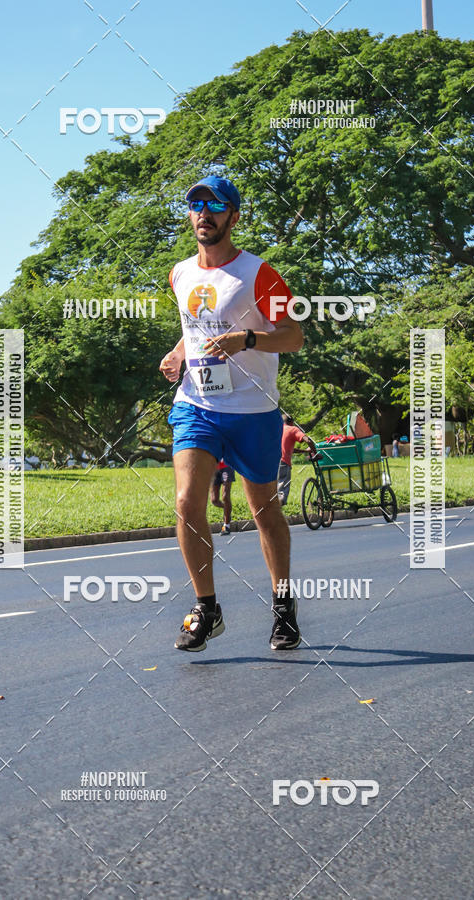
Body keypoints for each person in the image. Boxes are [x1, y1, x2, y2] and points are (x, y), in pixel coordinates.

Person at [159, 175, 304, 652]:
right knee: (185, 503)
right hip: (197, 404)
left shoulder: (259, 275)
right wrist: (180, 353)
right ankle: (207, 607)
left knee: (264, 510)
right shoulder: (180, 273)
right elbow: (195, 325)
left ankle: (283, 606)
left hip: (252, 410)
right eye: (197, 204)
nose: (205, 212)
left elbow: (293, 336)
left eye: (216, 205)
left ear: (234, 216)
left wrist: (248, 340)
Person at [277, 415, 317, 506]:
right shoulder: (293, 429)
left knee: (273, 490)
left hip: (271, 462)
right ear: (292, 422)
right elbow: (308, 441)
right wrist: (316, 453)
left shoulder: (277, 429)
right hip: (283, 463)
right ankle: (276, 513)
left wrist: (304, 451)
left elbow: (288, 449)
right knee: (282, 493)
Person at [210, 459, 235, 535]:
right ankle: (227, 509)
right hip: (214, 468)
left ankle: (226, 526)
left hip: (226, 467)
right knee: (214, 500)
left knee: (225, 496)